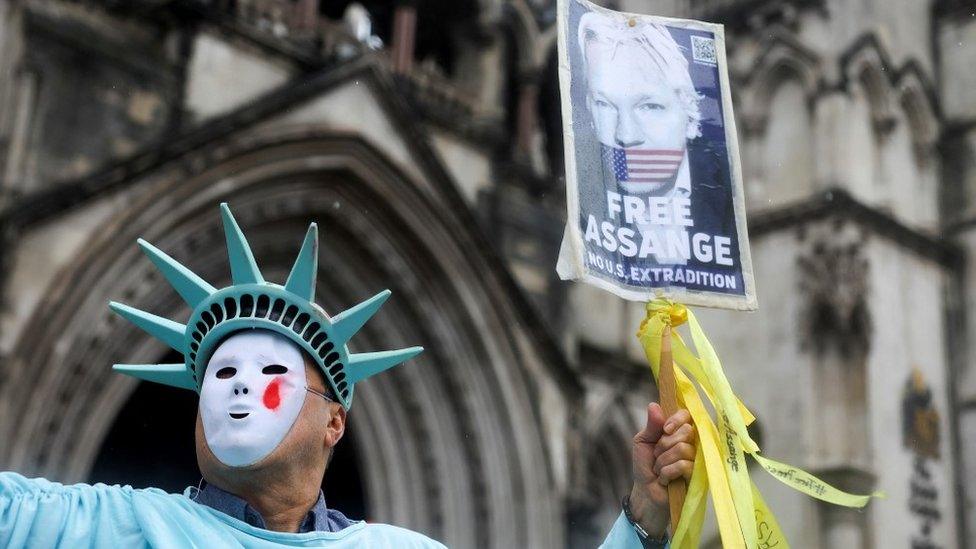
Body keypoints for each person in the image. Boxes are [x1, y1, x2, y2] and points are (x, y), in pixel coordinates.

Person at [0, 204, 695, 548]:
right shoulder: (107, 524)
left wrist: (642, 518)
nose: (239, 385)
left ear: (335, 420)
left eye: (271, 369)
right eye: (219, 373)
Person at [575, 7, 735, 267]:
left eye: (649, 107)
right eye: (605, 104)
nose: (625, 135)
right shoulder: (585, 206)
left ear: (689, 110)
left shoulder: (729, 190)